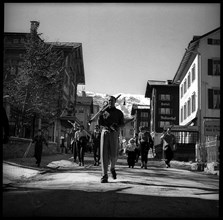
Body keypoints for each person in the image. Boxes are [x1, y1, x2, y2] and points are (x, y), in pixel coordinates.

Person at [98, 95, 124, 183]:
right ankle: (104, 175)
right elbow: (100, 123)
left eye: (112, 101)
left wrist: (117, 126)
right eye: (109, 100)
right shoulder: (104, 111)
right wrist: (100, 115)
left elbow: (122, 124)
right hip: (105, 132)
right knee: (104, 154)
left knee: (114, 155)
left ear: (115, 102)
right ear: (107, 101)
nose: (110, 102)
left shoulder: (119, 113)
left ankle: (112, 167)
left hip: (114, 134)